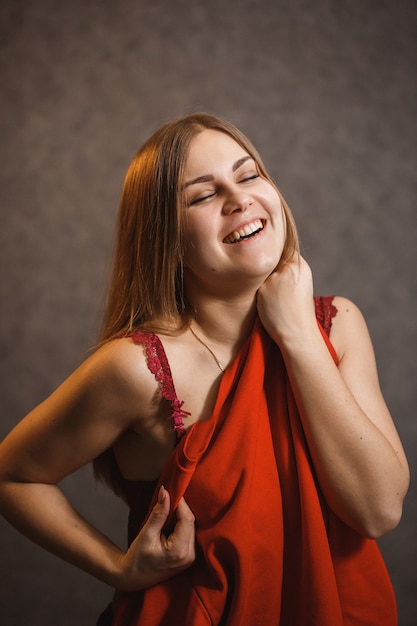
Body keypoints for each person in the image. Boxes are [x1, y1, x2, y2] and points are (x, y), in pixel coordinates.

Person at [0, 113, 409, 626]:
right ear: (166, 240)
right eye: (201, 196)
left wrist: (299, 337)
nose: (238, 199)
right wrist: (117, 569)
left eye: (248, 174)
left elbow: (378, 510)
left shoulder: (338, 325)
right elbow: (13, 476)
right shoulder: (138, 368)